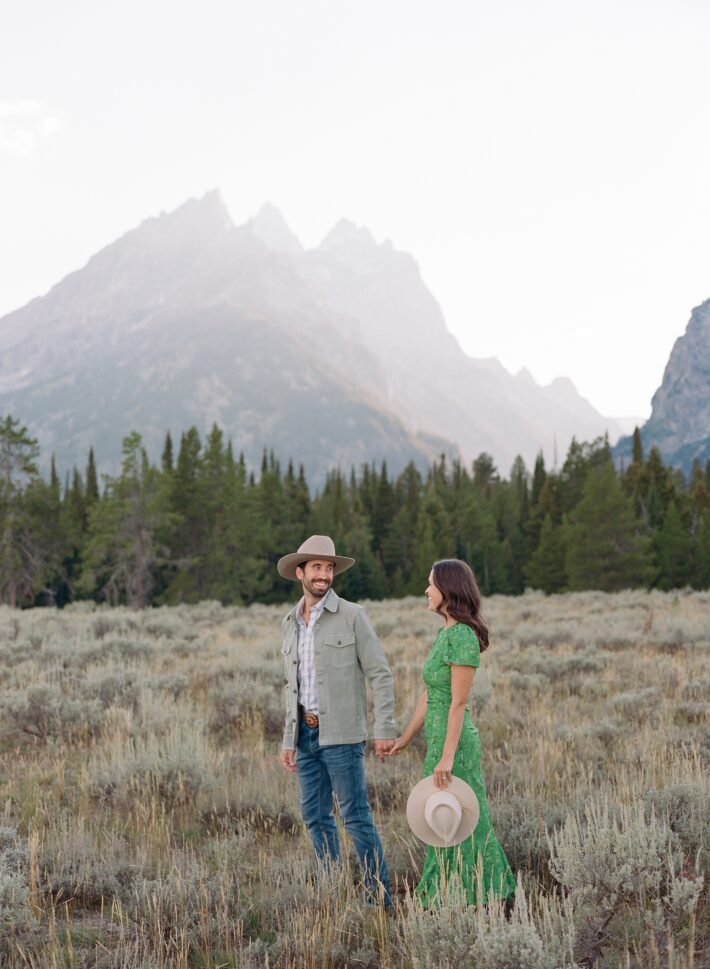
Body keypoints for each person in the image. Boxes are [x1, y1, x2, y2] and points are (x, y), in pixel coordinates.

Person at [277, 535, 397, 906]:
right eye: (316, 567)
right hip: (305, 738)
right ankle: (333, 890)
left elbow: (380, 673)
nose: (324, 575)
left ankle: (381, 899)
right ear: (300, 572)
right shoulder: (290, 623)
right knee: (314, 816)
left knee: (356, 817)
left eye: (329, 568)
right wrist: (287, 738)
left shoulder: (353, 616)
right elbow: (290, 685)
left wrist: (384, 729)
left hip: (343, 736)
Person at [388, 558, 515, 907]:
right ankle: (454, 895)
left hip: (455, 747)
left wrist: (446, 755)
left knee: (464, 822)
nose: (426, 590)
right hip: (439, 744)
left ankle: (482, 897)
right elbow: (431, 694)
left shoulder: (462, 637)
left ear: (448, 590)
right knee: (444, 823)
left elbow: (458, 702)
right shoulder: (445, 632)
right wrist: (405, 738)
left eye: (431, 584)